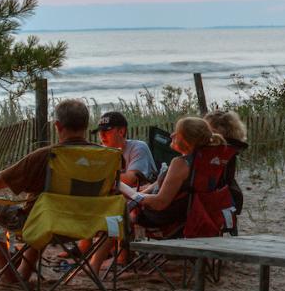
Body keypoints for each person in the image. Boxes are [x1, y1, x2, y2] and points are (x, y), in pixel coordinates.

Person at [0, 98, 99, 283]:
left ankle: (10, 276)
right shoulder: (105, 157)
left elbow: (0, 179)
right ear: (86, 124)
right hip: (88, 225)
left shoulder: (46, 155)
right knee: (41, 210)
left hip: (47, 224)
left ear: (57, 126)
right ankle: (24, 271)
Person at [87, 116, 217, 275]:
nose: (171, 135)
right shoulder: (201, 161)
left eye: (176, 133)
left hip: (164, 216)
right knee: (120, 204)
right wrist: (134, 193)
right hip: (187, 212)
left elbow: (160, 203)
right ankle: (111, 255)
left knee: (114, 215)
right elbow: (158, 186)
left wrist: (130, 193)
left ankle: (97, 264)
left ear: (188, 140)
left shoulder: (180, 163)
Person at [202, 109, 250, 223]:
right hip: (226, 189)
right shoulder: (232, 148)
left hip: (208, 192)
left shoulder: (213, 150)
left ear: (221, 129)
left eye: (208, 129)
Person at [95, 110, 157, 187]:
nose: (102, 136)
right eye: (100, 132)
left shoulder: (138, 147)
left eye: (106, 131)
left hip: (141, 196)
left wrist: (98, 177)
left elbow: (130, 180)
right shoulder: (102, 152)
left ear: (121, 131)